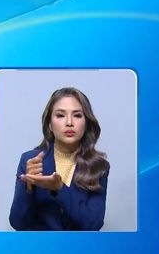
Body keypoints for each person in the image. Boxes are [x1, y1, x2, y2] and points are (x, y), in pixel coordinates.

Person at [9, 87, 110, 231]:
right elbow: (18, 223)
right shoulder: (31, 160)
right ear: (49, 124)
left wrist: (59, 189)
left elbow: (93, 225)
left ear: (86, 123)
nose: (69, 122)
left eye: (77, 115)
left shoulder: (99, 166)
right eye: (60, 115)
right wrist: (28, 187)